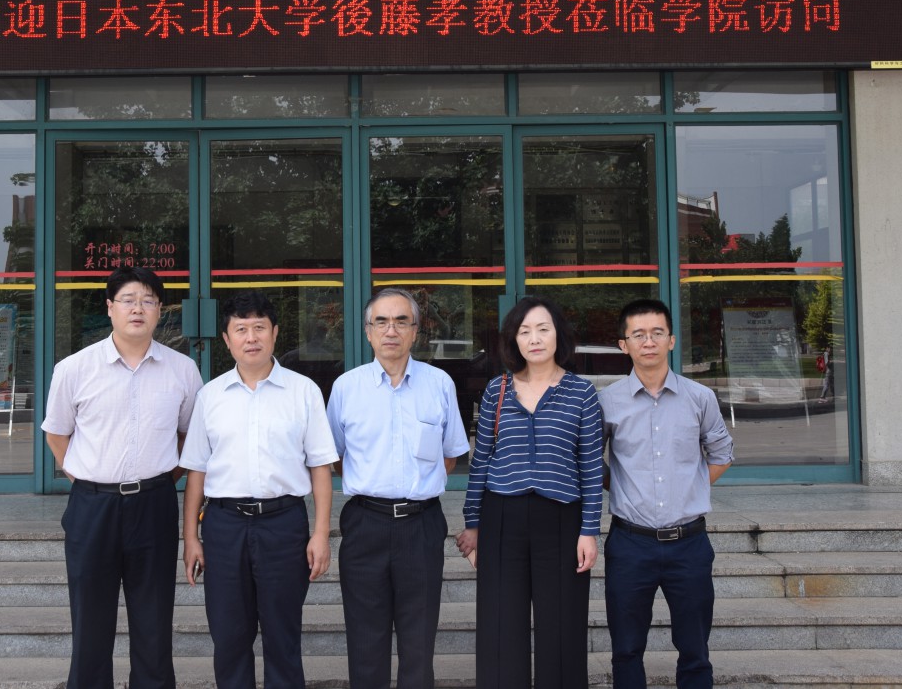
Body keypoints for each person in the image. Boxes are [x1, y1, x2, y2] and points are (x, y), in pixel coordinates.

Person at [41, 266, 202, 689]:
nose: (138, 309)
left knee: (154, 622)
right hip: (92, 507)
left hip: (154, 504)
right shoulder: (75, 368)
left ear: (160, 311)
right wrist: (89, 477)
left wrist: (165, 477)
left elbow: (190, 436)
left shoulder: (182, 370)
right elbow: (57, 434)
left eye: (148, 301)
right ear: (110, 307)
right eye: (128, 300)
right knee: (90, 623)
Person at [180, 290, 339, 689]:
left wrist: (321, 533)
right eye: (241, 329)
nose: (251, 338)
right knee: (229, 637)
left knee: (283, 636)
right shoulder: (210, 396)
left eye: (259, 328)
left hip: (283, 525)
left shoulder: (303, 391)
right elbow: (196, 472)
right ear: (226, 338)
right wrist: (191, 538)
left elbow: (320, 467)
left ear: (275, 333)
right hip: (224, 526)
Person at [455, 296, 604, 689]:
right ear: (514, 340)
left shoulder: (582, 393)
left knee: (563, 625)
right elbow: (481, 460)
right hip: (502, 517)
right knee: (500, 626)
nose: (534, 339)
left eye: (543, 329)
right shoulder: (497, 390)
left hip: (561, 518)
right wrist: (473, 523)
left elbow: (591, 467)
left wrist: (589, 530)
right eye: (524, 331)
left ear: (558, 336)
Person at [326, 288, 470, 689]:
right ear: (368, 332)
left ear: (416, 331)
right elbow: (334, 457)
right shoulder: (346, 387)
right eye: (382, 322)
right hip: (365, 524)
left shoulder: (439, 384)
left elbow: (449, 456)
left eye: (401, 321)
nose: (391, 330)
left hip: (421, 525)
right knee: (365, 640)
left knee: (418, 642)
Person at [600, 298, 735, 689]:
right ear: (624, 344)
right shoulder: (607, 402)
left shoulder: (699, 397)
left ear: (671, 340)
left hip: (689, 545)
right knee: (626, 650)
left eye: (657, 333)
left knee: (695, 651)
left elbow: (722, 453)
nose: (649, 342)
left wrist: (689, 486)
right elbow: (590, 462)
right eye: (638, 335)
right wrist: (622, 485)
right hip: (629, 544)